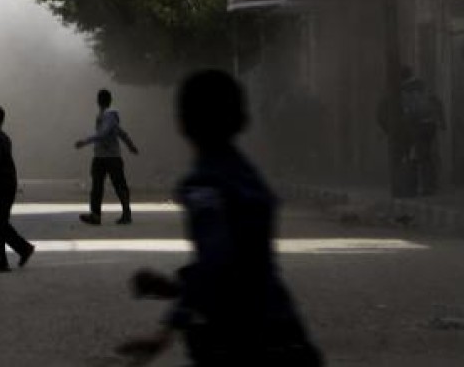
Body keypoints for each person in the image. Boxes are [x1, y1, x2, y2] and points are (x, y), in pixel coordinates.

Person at [117, 70, 323, 366]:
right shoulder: (248, 177)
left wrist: (166, 331)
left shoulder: (206, 184)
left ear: (182, 123)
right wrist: (177, 286)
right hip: (285, 332)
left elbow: (218, 263)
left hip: (238, 341)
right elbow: (244, 263)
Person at [378, 67, 446, 197]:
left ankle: (421, 187)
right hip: (430, 124)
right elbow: (437, 102)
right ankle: (430, 185)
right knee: (427, 155)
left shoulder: (401, 90)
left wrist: (393, 128)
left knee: (416, 156)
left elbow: (395, 109)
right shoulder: (424, 86)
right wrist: (442, 122)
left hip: (415, 124)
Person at [0, 104, 35, 273]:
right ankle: (23, 248)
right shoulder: (2, 137)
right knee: (0, 223)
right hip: (7, 183)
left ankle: (1, 262)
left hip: (1, 184)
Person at [75, 89, 138, 225]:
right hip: (104, 156)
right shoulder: (107, 115)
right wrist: (130, 145)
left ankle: (123, 214)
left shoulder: (109, 115)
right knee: (103, 185)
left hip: (109, 157)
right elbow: (120, 132)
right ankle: (97, 215)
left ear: (98, 100)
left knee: (113, 185)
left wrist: (84, 141)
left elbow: (104, 133)